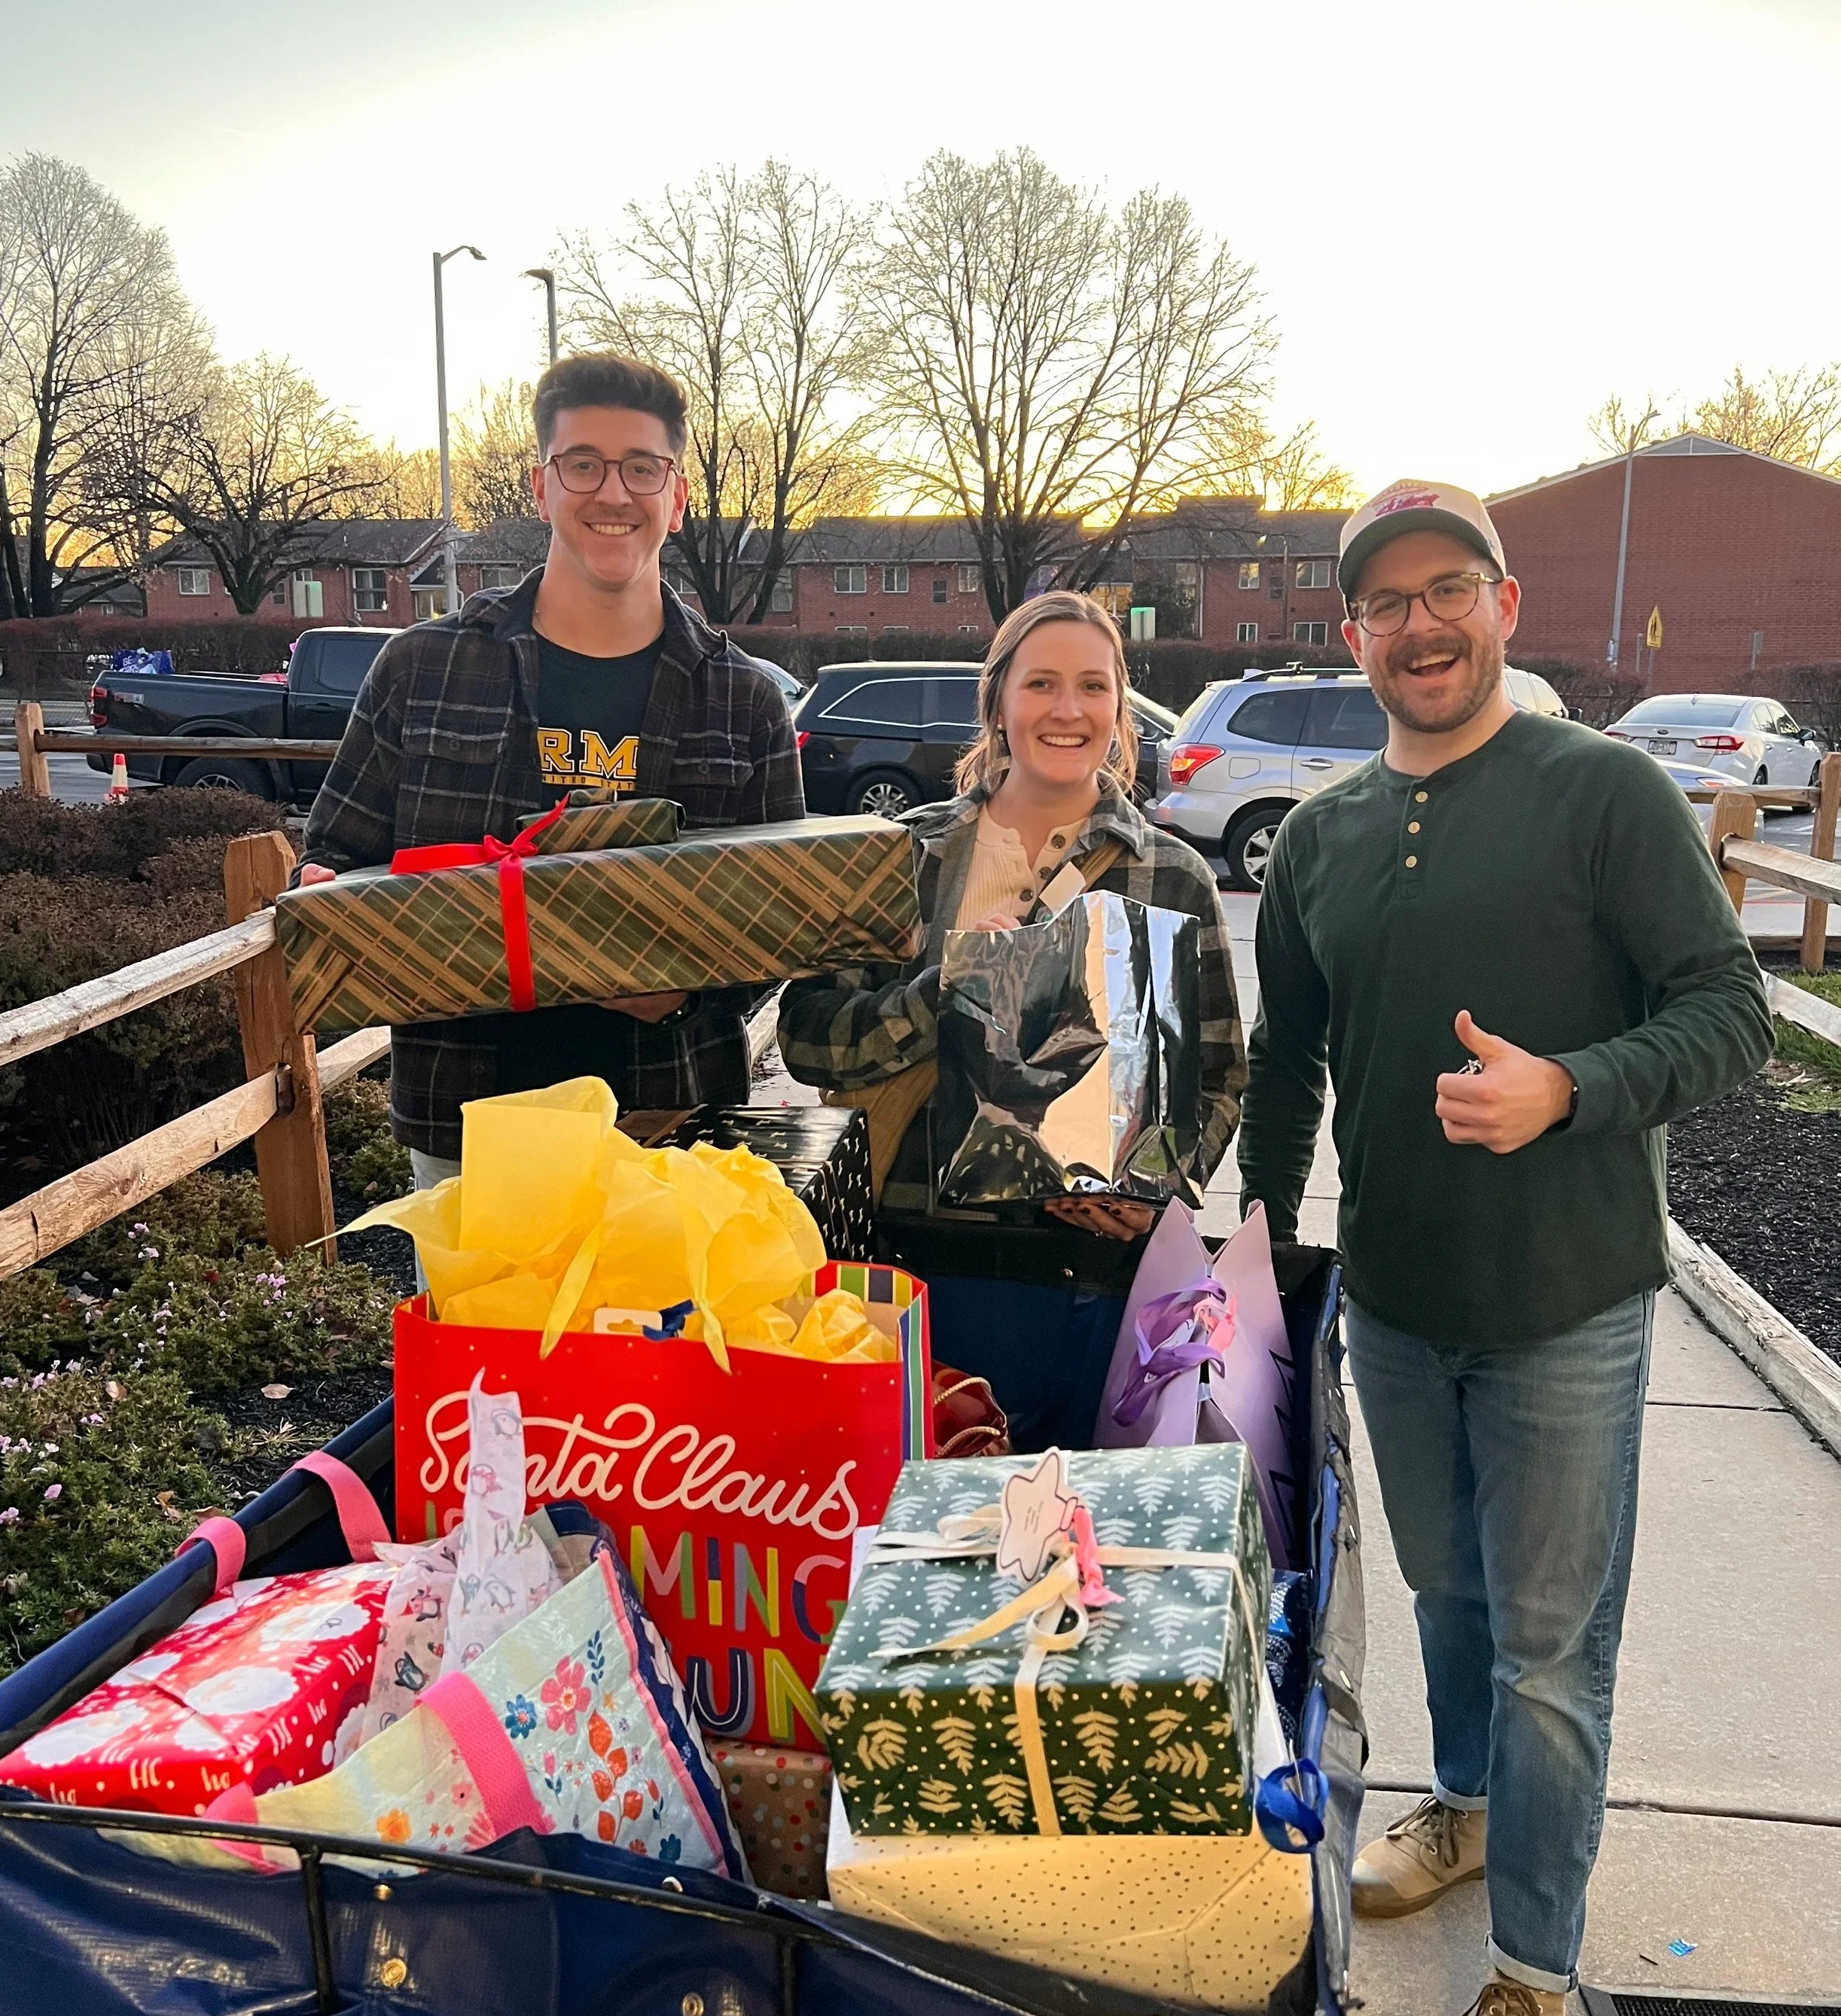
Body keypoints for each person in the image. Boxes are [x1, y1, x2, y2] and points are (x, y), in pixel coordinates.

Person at [1237, 478, 1772, 2016]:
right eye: (1385, 603)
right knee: (1448, 1597)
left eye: (1446, 589)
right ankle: (1461, 1810)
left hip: (1566, 1311)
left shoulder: (1599, 793)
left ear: (1506, 602)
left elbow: (1731, 1015)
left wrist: (1571, 1089)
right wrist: (1264, 1248)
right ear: (1352, 637)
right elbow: (1287, 1065)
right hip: (1398, 1305)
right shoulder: (1319, 837)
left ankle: (1532, 1986)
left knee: (1554, 1657)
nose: (1420, 624)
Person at [301, 351, 802, 1184]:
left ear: (676, 498)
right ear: (543, 489)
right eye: (583, 465)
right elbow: (337, 857)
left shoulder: (742, 699)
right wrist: (336, 907)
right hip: (466, 1131)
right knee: (472, 1321)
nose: (614, 493)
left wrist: (685, 991)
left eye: (643, 468)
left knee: (658, 1319)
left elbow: (784, 922)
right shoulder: (423, 669)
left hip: (668, 1124)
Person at [779, 590, 1246, 1445]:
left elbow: (1219, 1076)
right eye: (1040, 685)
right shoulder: (905, 860)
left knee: (1074, 1554)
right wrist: (942, 991)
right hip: (920, 1272)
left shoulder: (1171, 874)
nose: (1067, 710)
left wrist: (1158, 1189)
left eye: (1093, 687)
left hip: (1096, 1285)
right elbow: (808, 1038)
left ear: (1118, 707)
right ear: (996, 703)